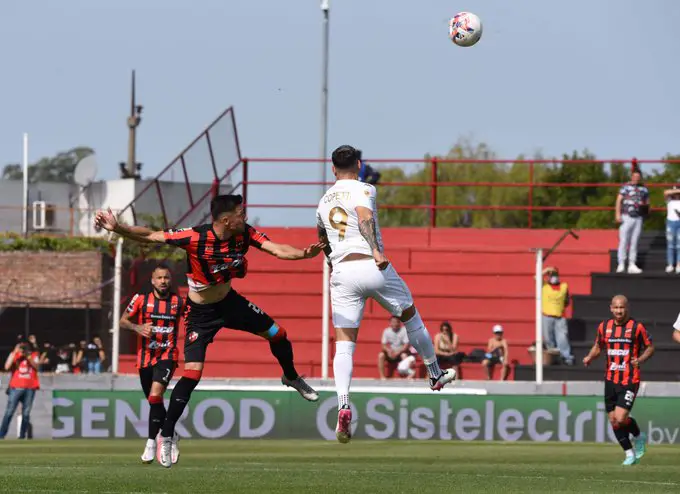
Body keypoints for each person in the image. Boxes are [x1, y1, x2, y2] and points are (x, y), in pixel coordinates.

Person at [95, 194, 323, 468]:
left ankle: (291, 376)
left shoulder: (244, 234)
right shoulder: (194, 237)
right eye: (241, 212)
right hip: (200, 313)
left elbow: (276, 249)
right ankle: (166, 435)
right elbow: (152, 236)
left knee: (278, 334)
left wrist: (303, 254)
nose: (245, 216)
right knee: (193, 372)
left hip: (230, 303)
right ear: (227, 220)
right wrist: (118, 227)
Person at [315, 144, 456, 444]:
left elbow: (321, 236)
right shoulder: (364, 189)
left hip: (341, 271)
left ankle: (342, 404)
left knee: (344, 344)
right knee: (410, 316)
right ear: (359, 164)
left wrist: (332, 261)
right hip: (370, 264)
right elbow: (364, 216)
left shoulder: (323, 201)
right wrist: (377, 251)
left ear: (332, 169)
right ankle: (434, 373)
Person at [120, 263, 183, 465]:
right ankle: (170, 432)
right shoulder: (140, 299)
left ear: (170, 280)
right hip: (145, 357)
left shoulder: (178, 302)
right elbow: (123, 321)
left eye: (166, 278)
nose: (163, 281)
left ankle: (150, 441)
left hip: (167, 355)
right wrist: (137, 327)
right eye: (159, 278)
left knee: (156, 395)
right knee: (153, 401)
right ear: (152, 280)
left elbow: (193, 319)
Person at [583, 295, 654, 466]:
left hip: (630, 379)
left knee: (621, 418)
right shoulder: (604, 327)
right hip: (610, 379)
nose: (619, 311)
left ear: (627, 308)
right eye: (615, 307)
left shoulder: (637, 327)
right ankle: (629, 454)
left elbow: (650, 346)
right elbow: (598, 346)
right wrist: (589, 357)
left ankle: (638, 437)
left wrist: (640, 359)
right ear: (610, 308)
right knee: (613, 420)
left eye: (621, 307)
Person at [0, 343, 40, 439]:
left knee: (26, 413)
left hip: (30, 387)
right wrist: (15, 352)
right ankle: (2, 434)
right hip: (16, 386)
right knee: (9, 411)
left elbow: (37, 367)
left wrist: (28, 357)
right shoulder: (15, 355)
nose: (23, 351)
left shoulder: (34, 355)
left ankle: (22, 436)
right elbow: (6, 366)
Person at [615, 170, 649, 274]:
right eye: (634, 176)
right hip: (626, 216)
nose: (636, 178)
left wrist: (646, 213)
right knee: (624, 240)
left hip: (638, 217)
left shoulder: (644, 189)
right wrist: (617, 214)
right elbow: (619, 200)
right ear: (631, 177)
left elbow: (647, 202)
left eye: (638, 176)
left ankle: (632, 264)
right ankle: (621, 263)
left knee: (635, 241)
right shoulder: (625, 187)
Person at [541, 266, 574, 365]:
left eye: (555, 275)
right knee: (548, 339)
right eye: (551, 275)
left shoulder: (564, 286)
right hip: (547, 316)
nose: (554, 277)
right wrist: (546, 271)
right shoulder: (544, 285)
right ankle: (553, 357)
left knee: (562, 337)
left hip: (560, 316)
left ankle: (566, 357)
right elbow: (536, 277)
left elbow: (567, 300)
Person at [663, 186, 680, 273]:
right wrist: (674, 191)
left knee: (679, 245)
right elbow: (665, 192)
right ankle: (670, 264)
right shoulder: (669, 200)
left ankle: (678, 264)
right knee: (670, 244)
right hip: (670, 222)